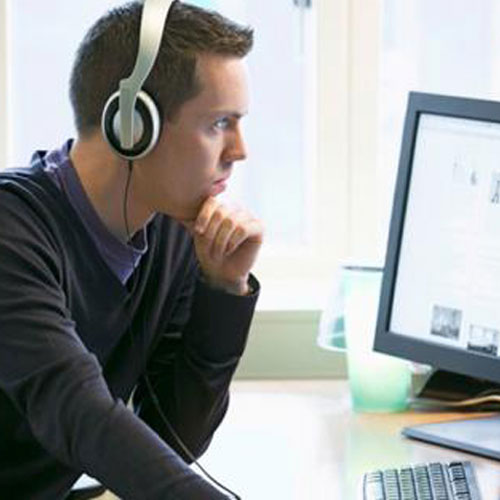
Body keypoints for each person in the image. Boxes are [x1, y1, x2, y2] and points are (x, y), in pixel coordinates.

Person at [0, 1, 263, 499]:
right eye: (218, 124)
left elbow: (175, 436)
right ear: (131, 125)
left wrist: (223, 288)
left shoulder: (169, 232)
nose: (239, 150)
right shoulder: (13, 235)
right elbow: (80, 414)